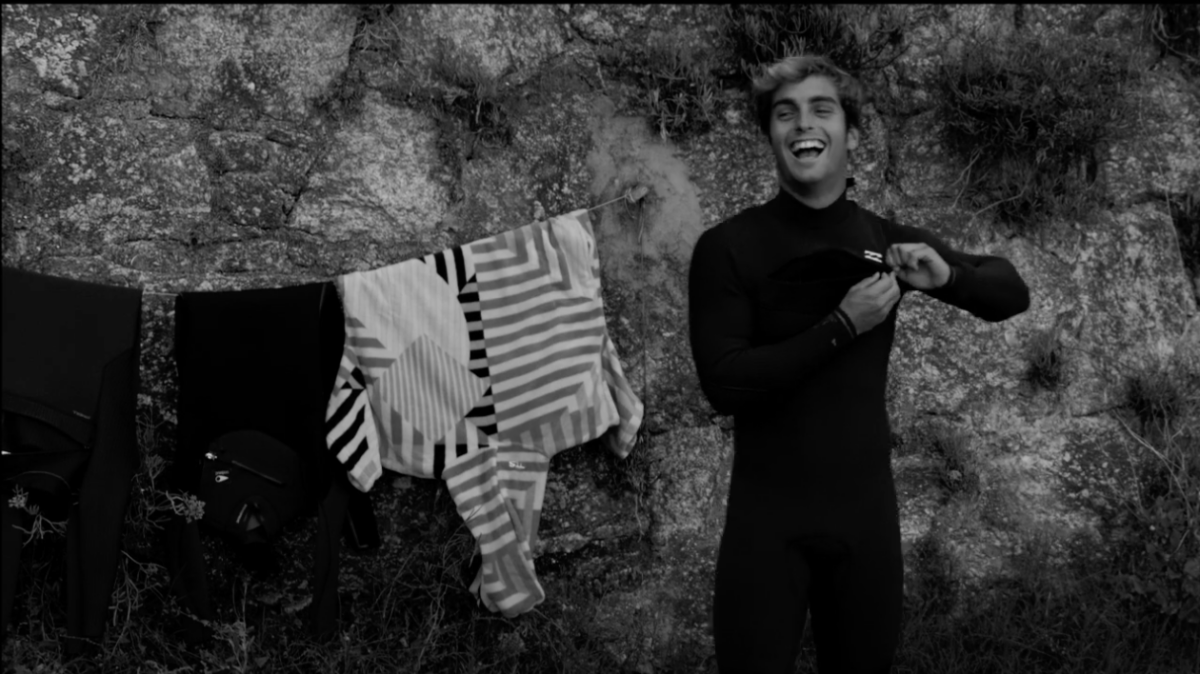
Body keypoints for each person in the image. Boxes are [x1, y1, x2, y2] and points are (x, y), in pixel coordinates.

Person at [687, 55, 1030, 673]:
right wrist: (843, 326)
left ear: (850, 131)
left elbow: (1010, 292)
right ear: (769, 134)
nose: (803, 124)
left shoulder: (884, 240)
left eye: (822, 109)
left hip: (864, 522)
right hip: (766, 525)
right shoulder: (728, 248)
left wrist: (948, 278)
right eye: (785, 113)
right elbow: (725, 382)